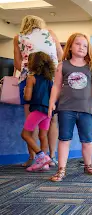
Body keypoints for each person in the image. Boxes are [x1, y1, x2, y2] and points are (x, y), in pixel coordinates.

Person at [48, 33, 92, 182]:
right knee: (64, 139)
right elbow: (56, 86)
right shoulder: (63, 66)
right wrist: (52, 102)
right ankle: (61, 169)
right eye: (78, 44)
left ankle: (88, 166)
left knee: (87, 140)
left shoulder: (91, 67)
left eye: (85, 45)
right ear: (71, 46)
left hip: (86, 109)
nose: (82, 47)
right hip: (66, 109)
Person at [13, 15, 63, 167]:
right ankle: (51, 157)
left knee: (31, 120)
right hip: (52, 79)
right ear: (41, 24)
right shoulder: (50, 33)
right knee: (51, 120)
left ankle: (33, 157)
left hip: (29, 78)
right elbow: (61, 56)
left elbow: (17, 63)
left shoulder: (18, 37)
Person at [20, 52, 55, 171]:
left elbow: (28, 98)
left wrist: (25, 90)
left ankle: (42, 157)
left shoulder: (31, 78)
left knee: (25, 134)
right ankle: (44, 163)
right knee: (43, 135)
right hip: (48, 111)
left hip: (37, 110)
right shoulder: (50, 79)